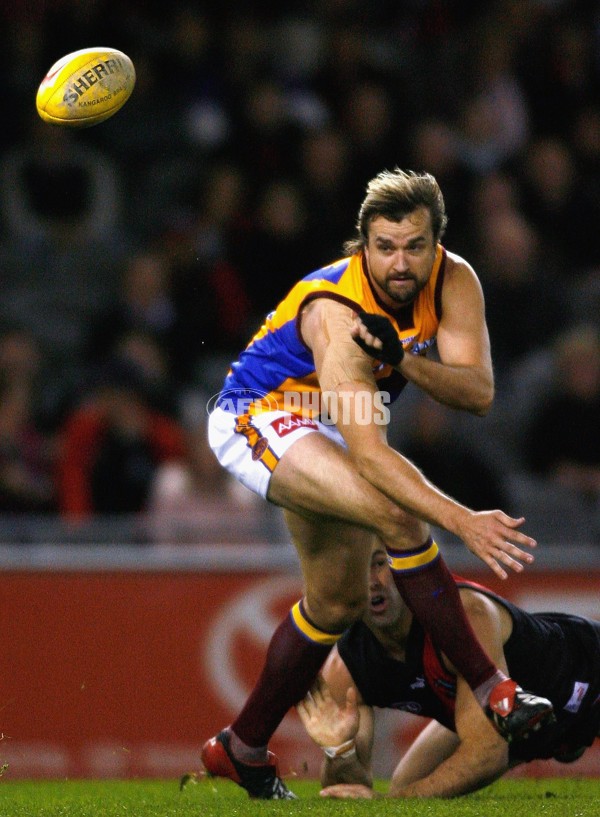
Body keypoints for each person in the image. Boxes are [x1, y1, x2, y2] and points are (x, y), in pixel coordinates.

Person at [200, 168, 553, 799]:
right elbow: (369, 456)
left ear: (436, 244)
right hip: (260, 414)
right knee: (401, 520)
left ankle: (241, 747)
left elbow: (478, 392)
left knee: (336, 604)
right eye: (384, 246)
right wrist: (463, 519)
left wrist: (407, 362)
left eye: (415, 246)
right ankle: (493, 689)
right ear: (362, 242)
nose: (399, 261)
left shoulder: (455, 278)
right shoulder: (339, 315)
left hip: (329, 425)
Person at [297, 545, 600, 799]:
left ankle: (570, 736)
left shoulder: (462, 614)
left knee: (408, 794)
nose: (371, 581)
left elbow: (487, 756)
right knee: (405, 787)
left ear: (402, 567)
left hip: (588, 670)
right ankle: (565, 742)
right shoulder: (345, 665)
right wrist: (339, 751)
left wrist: (394, 807)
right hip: (515, 724)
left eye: (378, 563)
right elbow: (347, 790)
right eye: (356, 570)